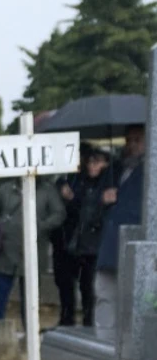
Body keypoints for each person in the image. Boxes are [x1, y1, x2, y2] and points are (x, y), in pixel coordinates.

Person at [0, 174, 65, 323]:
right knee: (0, 291)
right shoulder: (6, 189)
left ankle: (30, 328)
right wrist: (0, 223)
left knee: (30, 296)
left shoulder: (48, 191)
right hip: (7, 248)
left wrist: (41, 225)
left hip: (34, 248)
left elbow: (59, 214)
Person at [96, 125, 146, 334]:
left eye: (137, 140)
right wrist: (103, 199)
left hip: (136, 246)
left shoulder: (148, 172)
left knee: (132, 304)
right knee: (105, 296)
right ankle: (104, 344)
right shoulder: (115, 170)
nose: (131, 145)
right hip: (110, 245)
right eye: (128, 140)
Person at [54, 146, 112, 327]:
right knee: (66, 283)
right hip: (73, 241)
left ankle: (89, 321)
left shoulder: (108, 182)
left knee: (88, 286)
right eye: (90, 161)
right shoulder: (77, 181)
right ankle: (67, 317)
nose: (91, 165)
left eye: (97, 161)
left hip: (93, 243)